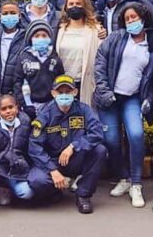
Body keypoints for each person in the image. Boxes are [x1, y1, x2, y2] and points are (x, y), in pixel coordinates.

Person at [94, 2, 153, 208]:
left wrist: (148, 99)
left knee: (136, 135)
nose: (131, 21)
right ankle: (123, 177)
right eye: (128, 18)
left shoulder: (152, 44)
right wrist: (104, 92)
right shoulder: (116, 38)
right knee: (111, 139)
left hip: (132, 98)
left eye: (135, 17)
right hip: (110, 97)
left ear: (143, 18)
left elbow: (151, 77)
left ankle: (136, 184)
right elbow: (100, 63)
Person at [27, 75, 108, 214]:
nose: (64, 95)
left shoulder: (84, 110)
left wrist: (74, 146)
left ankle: (83, 195)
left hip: (75, 158)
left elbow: (97, 134)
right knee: (36, 181)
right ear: (53, 94)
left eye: (68, 91)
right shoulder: (45, 114)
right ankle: (54, 191)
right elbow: (35, 147)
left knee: (100, 151)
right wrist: (52, 170)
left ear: (75, 92)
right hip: (52, 161)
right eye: (60, 92)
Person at [55, 0, 105, 106]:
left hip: (85, 83)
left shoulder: (96, 30)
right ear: (66, 7)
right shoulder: (59, 29)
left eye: (78, 4)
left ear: (85, 6)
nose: (74, 7)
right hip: (63, 84)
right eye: (71, 4)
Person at [14, 20, 65, 117]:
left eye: (44, 35)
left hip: (51, 104)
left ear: (49, 38)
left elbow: (60, 81)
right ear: (30, 39)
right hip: (30, 103)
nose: (40, 38)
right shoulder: (24, 58)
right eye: (36, 36)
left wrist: (57, 101)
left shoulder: (54, 58)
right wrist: (25, 104)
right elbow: (17, 82)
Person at [0, 1, 27, 116]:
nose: (9, 16)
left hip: (13, 94)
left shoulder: (25, 36)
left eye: (13, 13)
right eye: (5, 13)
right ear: (0, 15)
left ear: (19, 15)